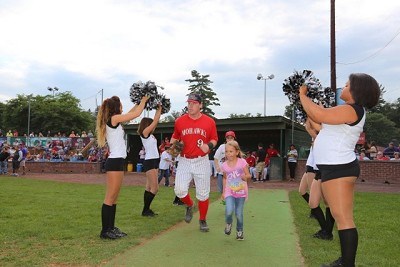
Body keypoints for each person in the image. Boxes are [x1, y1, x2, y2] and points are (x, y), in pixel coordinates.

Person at [300, 73, 380, 267]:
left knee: (343, 218)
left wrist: (302, 95)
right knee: (339, 215)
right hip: (334, 168)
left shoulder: (352, 109)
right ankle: (345, 261)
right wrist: (310, 110)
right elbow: (319, 122)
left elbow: (320, 114)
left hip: (339, 168)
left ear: (355, 91)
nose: (342, 87)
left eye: (346, 84)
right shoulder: (348, 111)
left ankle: (347, 263)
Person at [96, 95, 148, 240]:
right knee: (110, 197)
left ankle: (111, 228)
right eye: (121, 106)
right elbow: (136, 114)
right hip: (114, 162)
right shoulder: (113, 119)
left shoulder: (116, 119)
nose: (122, 108)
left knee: (115, 198)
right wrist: (143, 102)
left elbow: (130, 114)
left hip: (118, 161)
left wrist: (138, 103)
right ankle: (105, 231)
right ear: (115, 108)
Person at [170, 93, 218, 232]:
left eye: (194, 103)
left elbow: (214, 139)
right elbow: (175, 136)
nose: (190, 105)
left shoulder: (209, 122)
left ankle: (202, 219)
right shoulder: (180, 121)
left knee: (203, 193)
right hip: (184, 160)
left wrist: (208, 146)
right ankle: (190, 205)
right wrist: (172, 147)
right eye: (189, 103)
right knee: (179, 190)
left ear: (200, 105)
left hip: (201, 161)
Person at [221, 140, 251, 240]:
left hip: (241, 192)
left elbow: (248, 175)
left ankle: (239, 231)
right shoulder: (224, 165)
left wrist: (245, 177)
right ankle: (229, 223)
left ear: (237, 152)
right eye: (226, 151)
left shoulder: (242, 162)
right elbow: (225, 178)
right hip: (230, 191)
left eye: (231, 151)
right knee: (229, 211)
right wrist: (224, 192)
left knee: (238, 213)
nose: (228, 154)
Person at [138, 105, 162, 217]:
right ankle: (145, 210)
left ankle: (146, 210)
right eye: (150, 123)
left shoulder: (150, 134)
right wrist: (159, 110)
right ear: (147, 124)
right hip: (150, 161)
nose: (153, 125)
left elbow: (155, 122)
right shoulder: (145, 133)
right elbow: (155, 122)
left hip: (154, 161)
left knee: (148, 187)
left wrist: (159, 110)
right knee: (155, 188)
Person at [214, 131, 236, 201]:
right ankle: (227, 201)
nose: (229, 139)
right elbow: (216, 157)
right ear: (226, 139)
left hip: (232, 173)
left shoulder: (236, 147)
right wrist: (217, 166)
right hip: (221, 173)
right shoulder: (222, 147)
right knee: (221, 189)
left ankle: (231, 203)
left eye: (231, 138)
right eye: (228, 138)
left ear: (234, 139)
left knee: (232, 189)